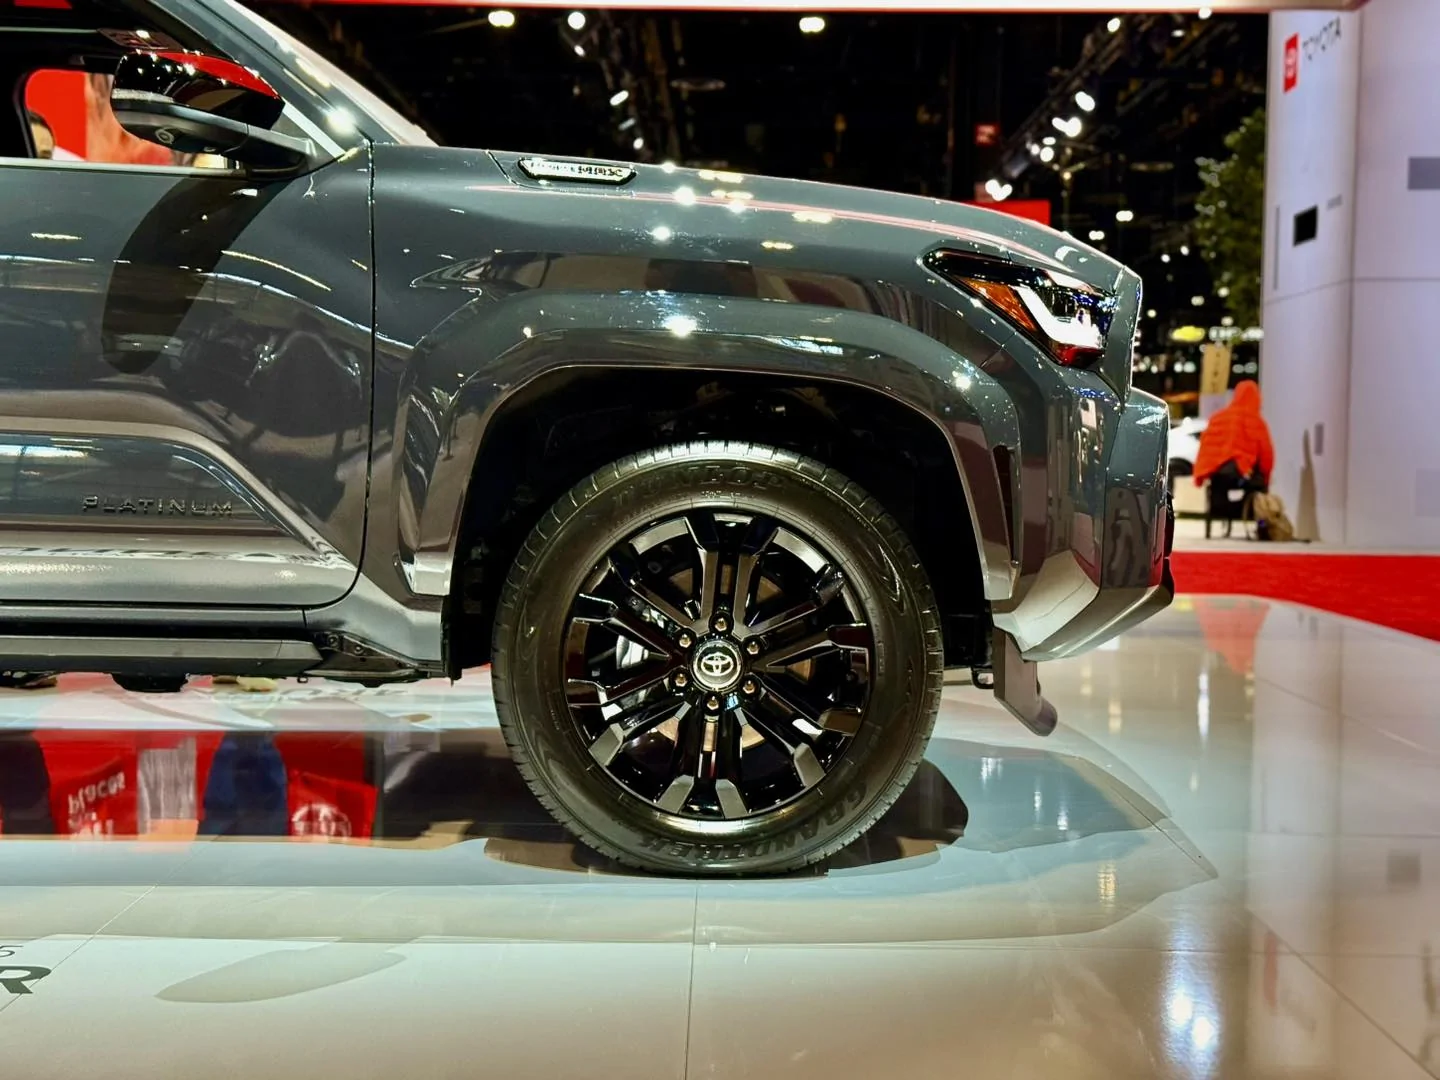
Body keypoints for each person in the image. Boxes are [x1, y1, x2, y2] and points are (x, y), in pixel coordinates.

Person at [1194, 379, 1275, 537]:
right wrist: (1266, 476)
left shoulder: (1218, 417)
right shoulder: (1257, 421)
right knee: (1259, 487)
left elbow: (1206, 446)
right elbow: (1267, 455)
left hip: (1218, 474)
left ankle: (1219, 513)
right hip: (1242, 473)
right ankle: (1261, 524)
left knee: (1218, 490)